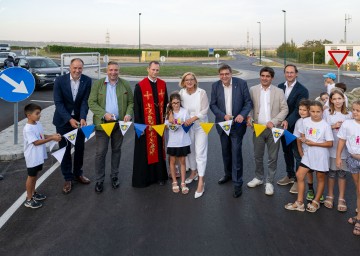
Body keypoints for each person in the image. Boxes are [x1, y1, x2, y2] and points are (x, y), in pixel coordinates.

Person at [88, 61, 134, 193]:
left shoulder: (125, 84)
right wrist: (104, 114)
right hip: (103, 125)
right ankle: (99, 180)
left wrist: (129, 114)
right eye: (111, 70)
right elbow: (91, 102)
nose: (113, 72)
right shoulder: (98, 84)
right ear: (106, 71)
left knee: (116, 150)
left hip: (119, 125)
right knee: (100, 153)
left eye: (116, 70)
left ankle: (114, 176)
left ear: (119, 71)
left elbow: (131, 102)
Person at [210, 64, 253, 198]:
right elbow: (213, 104)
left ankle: (237, 183)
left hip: (237, 125)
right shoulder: (215, 86)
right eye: (222, 74)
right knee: (225, 151)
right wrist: (223, 115)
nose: (224, 76)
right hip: (223, 124)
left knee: (236, 153)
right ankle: (228, 174)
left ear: (231, 74)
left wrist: (242, 115)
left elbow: (248, 103)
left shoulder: (241, 84)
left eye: (227, 74)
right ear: (219, 75)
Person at [285, 100, 333, 213]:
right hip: (308, 155)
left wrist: (314, 143)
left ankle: (316, 202)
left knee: (320, 178)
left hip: (321, 155)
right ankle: (300, 202)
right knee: (299, 175)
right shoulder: (305, 121)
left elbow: (330, 143)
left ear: (322, 111)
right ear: (309, 111)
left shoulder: (325, 125)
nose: (315, 114)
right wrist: (302, 150)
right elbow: (302, 137)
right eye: (312, 111)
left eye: (318, 111)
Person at [247, 67, 288, 196]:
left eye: (267, 76)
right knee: (257, 156)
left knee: (273, 157)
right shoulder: (253, 90)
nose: (264, 78)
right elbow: (248, 106)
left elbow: (284, 109)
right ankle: (259, 178)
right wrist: (249, 117)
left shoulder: (279, 91)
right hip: (258, 128)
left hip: (273, 129)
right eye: (262, 75)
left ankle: (269, 182)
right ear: (260, 76)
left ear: (272, 78)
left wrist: (275, 121)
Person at [53, 58, 92, 194]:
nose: (77, 71)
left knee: (80, 149)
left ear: (83, 68)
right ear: (70, 67)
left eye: (80, 68)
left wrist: (82, 117)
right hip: (63, 121)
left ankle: (78, 174)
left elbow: (85, 101)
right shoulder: (60, 81)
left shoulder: (87, 80)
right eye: (74, 68)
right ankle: (68, 178)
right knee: (65, 150)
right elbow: (58, 103)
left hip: (79, 121)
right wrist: (69, 119)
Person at [132, 61, 169, 188]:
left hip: (158, 124)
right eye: (153, 69)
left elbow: (166, 105)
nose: (155, 72)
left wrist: (167, 120)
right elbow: (136, 107)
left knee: (158, 150)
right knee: (144, 152)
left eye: (157, 70)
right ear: (148, 69)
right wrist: (139, 126)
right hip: (144, 125)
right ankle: (145, 179)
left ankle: (160, 177)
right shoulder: (140, 86)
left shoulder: (163, 85)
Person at [277, 64, 309, 194]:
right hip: (281, 126)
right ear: (284, 73)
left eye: (292, 72)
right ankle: (289, 175)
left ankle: (298, 180)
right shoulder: (279, 87)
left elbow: (298, 109)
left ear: (296, 74)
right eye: (287, 72)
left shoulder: (302, 90)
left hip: (296, 127)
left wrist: (287, 121)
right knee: (286, 152)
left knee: (297, 154)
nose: (289, 74)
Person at [23, 103, 62, 208]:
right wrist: (51, 139)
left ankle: (34, 192)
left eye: (39, 113)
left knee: (35, 175)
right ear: (29, 115)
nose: (39, 115)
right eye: (37, 113)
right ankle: (28, 199)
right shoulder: (28, 129)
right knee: (31, 176)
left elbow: (41, 136)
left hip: (38, 155)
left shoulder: (37, 124)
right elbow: (36, 142)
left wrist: (52, 135)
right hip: (32, 157)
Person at [179, 72, 209, 198]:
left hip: (201, 126)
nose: (189, 82)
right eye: (187, 80)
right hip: (187, 127)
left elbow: (204, 110)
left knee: (200, 152)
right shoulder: (181, 93)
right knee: (190, 151)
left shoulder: (201, 92)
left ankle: (201, 181)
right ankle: (193, 173)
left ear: (195, 81)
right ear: (183, 82)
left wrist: (192, 119)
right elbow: (177, 107)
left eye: (192, 79)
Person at [323, 89, 352, 211]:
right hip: (330, 148)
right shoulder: (327, 113)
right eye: (334, 99)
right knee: (331, 173)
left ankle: (341, 197)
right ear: (331, 100)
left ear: (344, 99)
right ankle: (330, 195)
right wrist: (333, 126)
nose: (337, 101)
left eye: (339, 98)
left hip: (344, 150)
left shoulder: (349, 114)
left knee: (341, 173)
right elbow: (321, 128)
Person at [336, 100, 360, 236]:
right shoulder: (348, 124)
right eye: (354, 110)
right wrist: (338, 157)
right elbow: (342, 140)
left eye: (358, 110)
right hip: (352, 159)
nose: (355, 112)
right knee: (358, 189)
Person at [165, 92, 191, 194]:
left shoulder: (184, 112)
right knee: (172, 161)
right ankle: (175, 181)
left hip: (183, 140)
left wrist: (184, 123)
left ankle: (183, 182)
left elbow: (188, 124)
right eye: (174, 103)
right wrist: (171, 123)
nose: (176, 105)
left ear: (180, 102)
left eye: (178, 102)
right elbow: (166, 125)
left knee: (183, 162)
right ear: (171, 103)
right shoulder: (168, 113)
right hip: (173, 141)